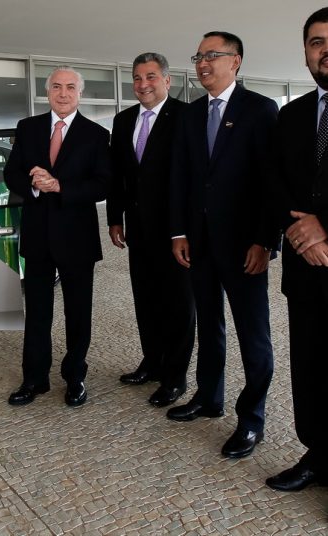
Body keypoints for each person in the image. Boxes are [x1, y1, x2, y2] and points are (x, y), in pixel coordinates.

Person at [167, 32, 280, 459]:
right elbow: (180, 176)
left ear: (236, 61)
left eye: (212, 55)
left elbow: (271, 182)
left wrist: (265, 241)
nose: (202, 63)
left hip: (244, 245)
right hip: (198, 242)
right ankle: (208, 397)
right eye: (198, 56)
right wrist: (178, 232)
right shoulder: (191, 114)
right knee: (209, 323)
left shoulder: (261, 110)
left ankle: (251, 420)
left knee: (253, 333)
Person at [4, 65, 111, 407]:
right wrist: (34, 185)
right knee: (37, 312)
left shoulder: (96, 134)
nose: (63, 93)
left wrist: (60, 186)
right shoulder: (28, 128)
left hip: (77, 238)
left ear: (80, 93)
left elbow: (103, 184)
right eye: (56, 87)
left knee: (77, 313)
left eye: (70, 87)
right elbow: (11, 173)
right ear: (47, 92)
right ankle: (34, 379)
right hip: (38, 235)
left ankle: (75, 377)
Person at [107, 53, 195, 408]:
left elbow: (192, 177)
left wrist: (184, 229)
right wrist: (114, 218)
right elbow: (118, 174)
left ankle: (175, 376)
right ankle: (153, 362)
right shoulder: (123, 119)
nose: (143, 84)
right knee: (146, 299)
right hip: (138, 228)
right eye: (137, 78)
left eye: (151, 76)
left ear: (167, 80)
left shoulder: (187, 116)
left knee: (178, 303)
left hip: (176, 231)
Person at [266, 7, 328, 492]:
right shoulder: (292, 115)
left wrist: (325, 228)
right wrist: (299, 230)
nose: (324, 50)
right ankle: (318, 454)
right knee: (309, 367)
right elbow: (275, 182)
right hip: (304, 267)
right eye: (315, 42)